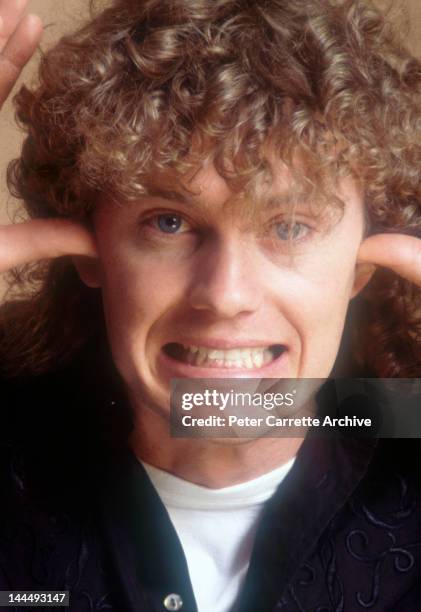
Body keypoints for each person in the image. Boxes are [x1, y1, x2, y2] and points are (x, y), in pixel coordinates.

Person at [0, 0, 420, 610]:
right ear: (89, 245)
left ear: (363, 261)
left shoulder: (395, 421)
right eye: (168, 222)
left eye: (291, 226)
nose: (225, 296)